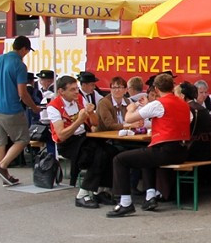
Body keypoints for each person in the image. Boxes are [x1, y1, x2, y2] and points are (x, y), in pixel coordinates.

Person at [107, 73, 191, 216]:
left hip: (165, 151)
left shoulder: (158, 104)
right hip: (182, 150)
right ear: (172, 87)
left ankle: (125, 202)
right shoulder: (183, 104)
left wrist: (131, 109)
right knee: (146, 154)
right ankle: (150, 196)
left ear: (156, 89)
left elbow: (129, 119)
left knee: (119, 159)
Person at [0, 36, 43, 186]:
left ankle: (5, 177)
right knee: (22, 139)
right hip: (10, 109)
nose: (26, 54)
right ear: (23, 49)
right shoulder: (19, 65)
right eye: (27, 51)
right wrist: (34, 107)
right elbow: (22, 93)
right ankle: (2, 167)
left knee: (0, 141)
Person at [45, 75, 109, 208]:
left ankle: (100, 190)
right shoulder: (54, 107)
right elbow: (62, 135)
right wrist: (79, 120)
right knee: (97, 154)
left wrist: (91, 113)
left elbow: (95, 122)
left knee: (111, 151)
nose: (76, 92)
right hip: (68, 143)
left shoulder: (80, 99)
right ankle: (82, 194)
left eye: (77, 89)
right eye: (72, 89)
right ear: (61, 92)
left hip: (84, 138)